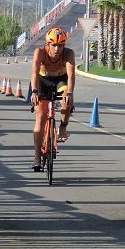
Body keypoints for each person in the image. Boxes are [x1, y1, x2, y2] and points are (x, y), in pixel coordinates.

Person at [30, 27, 76, 171]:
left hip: (60, 80)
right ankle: (37, 156)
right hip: (42, 81)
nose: (57, 49)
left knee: (66, 102)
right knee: (41, 116)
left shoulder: (68, 54)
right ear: (48, 44)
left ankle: (62, 127)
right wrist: (34, 91)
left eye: (60, 45)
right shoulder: (40, 52)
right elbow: (34, 72)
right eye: (54, 45)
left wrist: (69, 93)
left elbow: (71, 75)